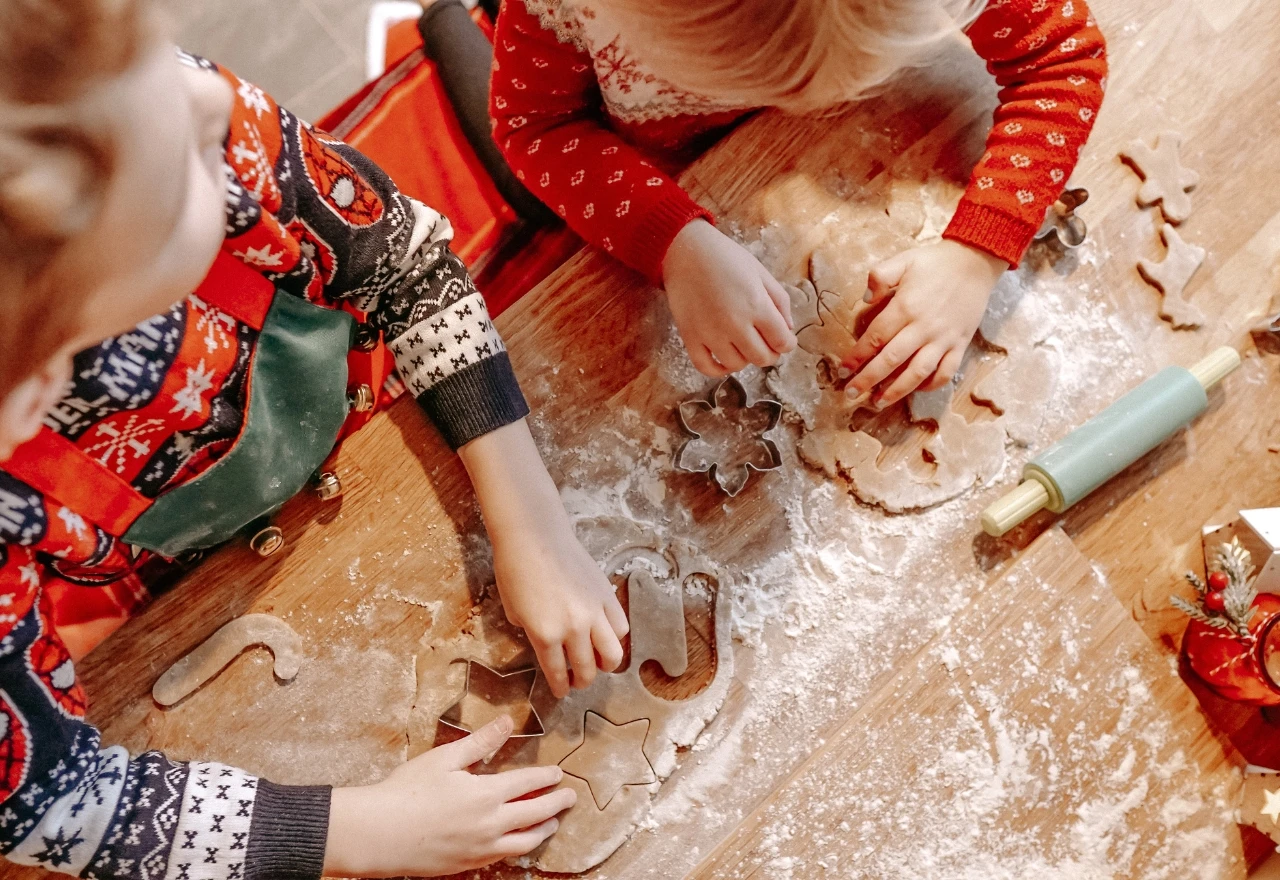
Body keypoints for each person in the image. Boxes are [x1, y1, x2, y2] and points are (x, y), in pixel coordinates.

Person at [0, 0, 630, 875]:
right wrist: (368, 834)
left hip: (372, 409)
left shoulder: (160, 107)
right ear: (35, 388)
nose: (214, 105)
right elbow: (49, 801)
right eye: (179, 160)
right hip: (193, 563)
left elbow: (407, 271)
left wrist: (534, 527)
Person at [490, 0, 1107, 408]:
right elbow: (533, 127)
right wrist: (672, 241)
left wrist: (978, 252)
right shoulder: (565, 10)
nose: (806, 107)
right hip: (624, 139)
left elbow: (1064, 57)